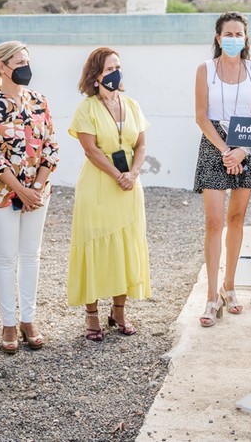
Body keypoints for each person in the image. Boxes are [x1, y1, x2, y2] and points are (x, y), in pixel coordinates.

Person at [0, 41, 59, 353]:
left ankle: (29, 320)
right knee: (6, 256)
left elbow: (51, 145)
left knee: (31, 255)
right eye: (19, 62)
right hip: (2, 193)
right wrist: (19, 189)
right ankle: (8, 323)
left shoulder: (39, 101)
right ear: (2, 67)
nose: (25, 67)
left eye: (27, 60)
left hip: (38, 193)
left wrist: (35, 188)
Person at [67, 47, 151, 341]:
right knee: (94, 244)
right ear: (96, 76)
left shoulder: (131, 104)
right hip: (99, 184)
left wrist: (133, 174)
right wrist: (117, 175)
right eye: (109, 69)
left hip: (130, 184)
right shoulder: (87, 109)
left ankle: (119, 310)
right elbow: (90, 150)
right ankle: (91, 315)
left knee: (124, 246)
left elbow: (141, 144)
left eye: (118, 66)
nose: (116, 72)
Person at [193, 12, 251, 327]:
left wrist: (241, 150)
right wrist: (225, 150)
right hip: (215, 145)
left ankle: (230, 287)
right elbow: (201, 115)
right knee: (214, 222)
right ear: (218, 37)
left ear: (246, 38)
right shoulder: (205, 70)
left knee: (237, 219)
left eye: (240, 33)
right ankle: (211, 295)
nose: (234, 38)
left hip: (246, 144)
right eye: (228, 33)